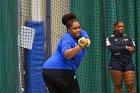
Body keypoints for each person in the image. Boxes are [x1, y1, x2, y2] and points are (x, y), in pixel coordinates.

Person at [42, 13, 91, 93]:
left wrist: (86, 42)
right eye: (75, 28)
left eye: (79, 27)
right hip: (60, 70)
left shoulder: (82, 33)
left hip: (47, 70)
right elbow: (67, 55)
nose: (78, 30)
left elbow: (87, 41)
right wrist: (80, 46)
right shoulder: (67, 39)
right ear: (68, 29)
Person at [106, 20, 136, 93]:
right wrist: (125, 47)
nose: (121, 28)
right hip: (116, 63)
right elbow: (112, 48)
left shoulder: (129, 37)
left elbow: (133, 48)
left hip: (128, 63)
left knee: (130, 84)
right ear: (115, 27)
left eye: (122, 26)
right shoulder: (110, 38)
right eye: (119, 26)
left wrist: (129, 48)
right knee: (117, 86)